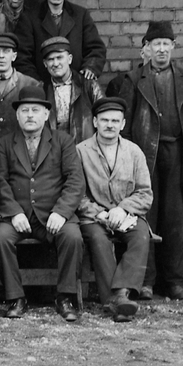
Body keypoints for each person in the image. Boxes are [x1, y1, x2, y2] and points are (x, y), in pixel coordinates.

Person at [122, 21, 183, 300]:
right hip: (144, 156)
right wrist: (128, 160)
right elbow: (126, 126)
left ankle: (174, 280)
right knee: (146, 216)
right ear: (146, 48)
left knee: (176, 218)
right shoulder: (133, 80)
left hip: (177, 154)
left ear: (173, 46)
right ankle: (146, 281)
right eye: (156, 44)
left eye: (166, 44)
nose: (161, 49)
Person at [0, 86, 85, 322]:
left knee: (72, 236)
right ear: (17, 115)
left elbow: (75, 180)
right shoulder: (3, 144)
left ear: (46, 114)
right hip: (19, 217)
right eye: (25, 110)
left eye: (35, 110)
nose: (30, 115)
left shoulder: (63, 141)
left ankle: (65, 297)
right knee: (1, 237)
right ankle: (15, 298)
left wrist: (61, 212)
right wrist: (13, 212)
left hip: (53, 216)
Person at [75, 97, 154, 322]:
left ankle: (120, 294)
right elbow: (76, 193)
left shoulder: (134, 151)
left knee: (141, 235)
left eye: (115, 121)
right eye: (104, 120)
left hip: (127, 215)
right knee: (98, 239)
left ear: (123, 124)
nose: (110, 125)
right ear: (95, 122)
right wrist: (98, 213)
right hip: (93, 217)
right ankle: (116, 300)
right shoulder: (81, 151)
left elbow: (145, 193)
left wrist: (123, 209)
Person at [13, 0, 106, 84]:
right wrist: (35, 83)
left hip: (76, 85)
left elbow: (96, 49)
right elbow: (22, 57)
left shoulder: (81, 15)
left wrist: (90, 67)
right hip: (43, 86)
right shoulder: (29, 18)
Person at [0, 33, 43, 146]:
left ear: (14, 56)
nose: (1, 56)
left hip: (22, 152)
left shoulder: (31, 85)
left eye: (6, 51)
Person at [40, 35, 104, 145]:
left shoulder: (89, 86)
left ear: (69, 59)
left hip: (84, 150)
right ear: (45, 64)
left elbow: (105, 118)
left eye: (59, 58)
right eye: (50, 59)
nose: (55, 64)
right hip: (53, 151)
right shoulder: (41, 90)